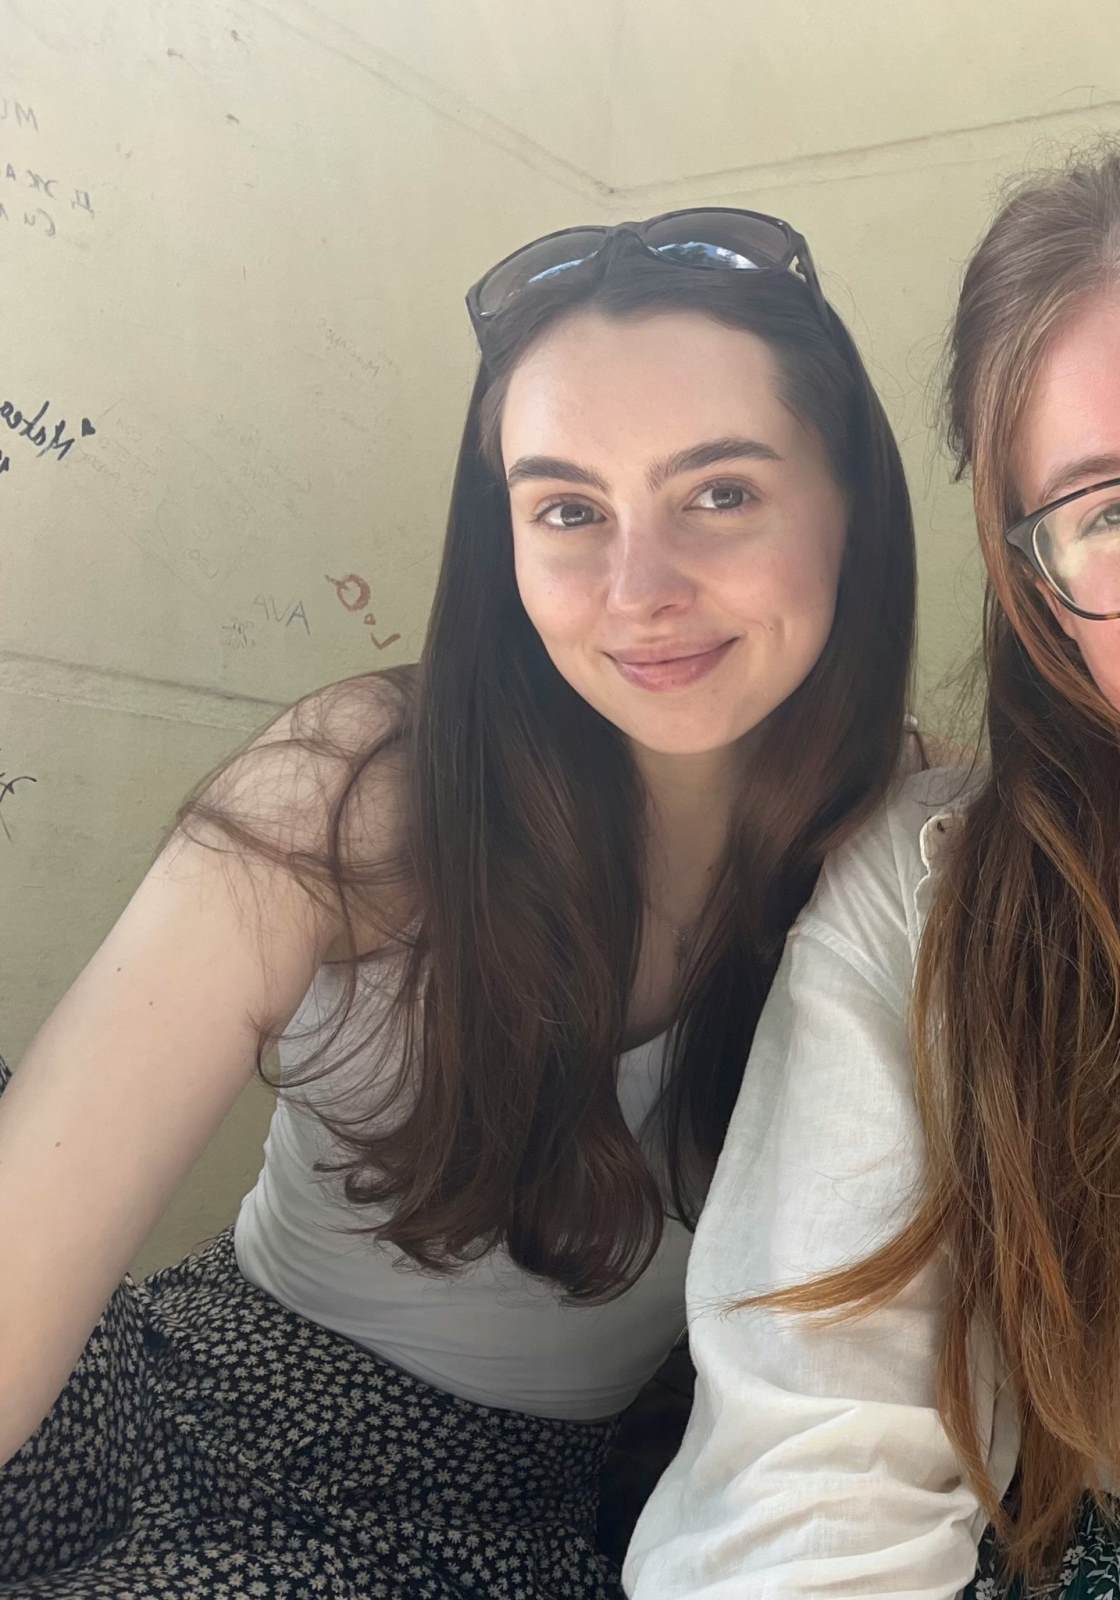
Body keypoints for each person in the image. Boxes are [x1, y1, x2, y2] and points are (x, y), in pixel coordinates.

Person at [0, 208, 915, 1598]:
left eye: (721, 493)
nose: (640, 591)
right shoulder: (359, 789)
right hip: (169, 1383)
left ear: (851, 508)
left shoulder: (913, 854)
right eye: (568, 510)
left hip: (476, 1523)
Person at [624, 150, 1120, 1600]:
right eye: (1113, 512)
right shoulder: (931, 895)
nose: (645, 592)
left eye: (719, 493)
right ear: (1040, 594)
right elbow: (810, 1483)